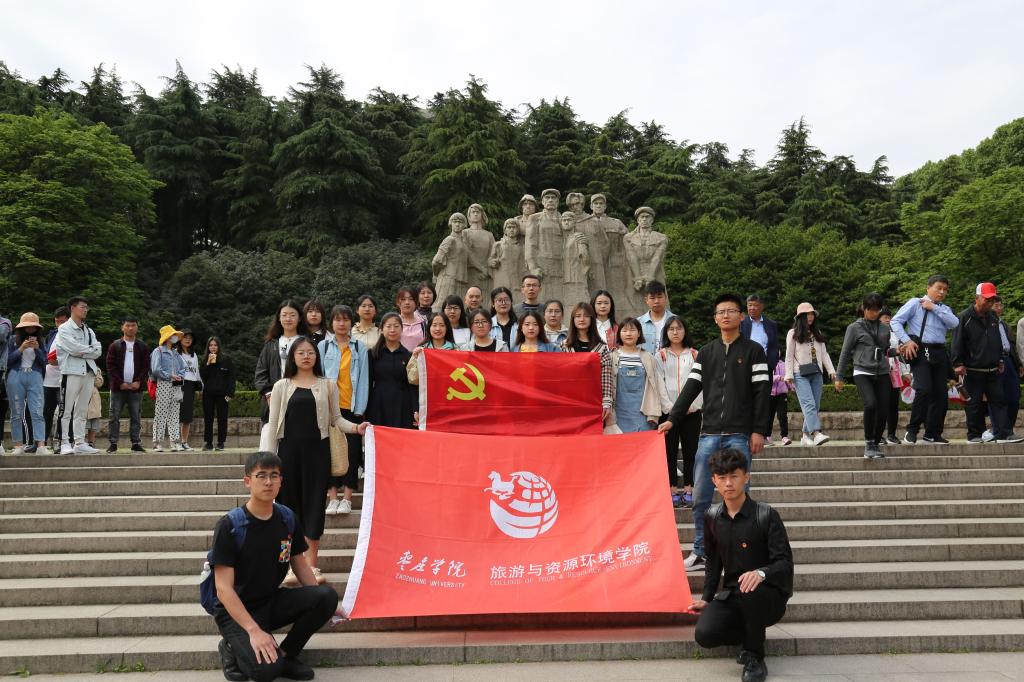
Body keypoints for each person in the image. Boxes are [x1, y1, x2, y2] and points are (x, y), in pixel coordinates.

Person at [658, 293, 771, 572]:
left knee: (738, 496)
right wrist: (673, 419)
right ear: (715, 318)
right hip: (708, 435)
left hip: (739, 435)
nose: (726, 316)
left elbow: (762, 394)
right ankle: (701, 551)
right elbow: (691, 389)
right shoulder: (707, 353)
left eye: (731, 311)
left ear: (741, 317)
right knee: (700, 498)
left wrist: (759, 431)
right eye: (721, 312)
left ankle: (744, 553)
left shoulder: (754, 351)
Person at [209, 451, 343, 682]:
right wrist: (253, 631)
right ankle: (230, 646)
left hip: (270, 601)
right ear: (247, 481)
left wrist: (322, 603)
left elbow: (300, 565)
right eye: (261, 475)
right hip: (236, 610)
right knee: (265, 672)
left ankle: (286, 655)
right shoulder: (230, 525)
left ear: (281, 481)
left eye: (274, 475)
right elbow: (223, 589)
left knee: (326, 596)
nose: (268, 482)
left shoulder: (286, 518)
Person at [267, 337, 367, 585]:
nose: (306, 356)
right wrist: (269, 462)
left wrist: (357, 428)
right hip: (288, 454)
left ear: (316, 356)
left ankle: (311, 566)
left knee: (314, 510)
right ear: (293, 357)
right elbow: (273, 425)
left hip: (318, 454)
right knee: (286, 512)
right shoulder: (281, 386)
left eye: (310, 352)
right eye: (300, 352)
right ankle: (287, 567)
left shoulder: (327, 385)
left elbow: (336, 420)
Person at [693, 448, 793, 682]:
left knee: (750, 587)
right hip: (733, 595)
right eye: (722, 477)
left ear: (746, 477)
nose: (728, 483)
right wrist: (707, 597)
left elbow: (784, 563)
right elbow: (713, 562)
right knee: (705, 634)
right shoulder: (712, 516)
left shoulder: (765, 515)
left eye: (734, 476)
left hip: (767, 596)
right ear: (714, 480)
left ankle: (754, 656)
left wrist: (761, 573)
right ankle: (751, 631)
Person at [889, 275, 960, 445]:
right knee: (924, 389)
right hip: (920, 349)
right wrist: (906, 340)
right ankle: (912, 430)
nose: (942, 292)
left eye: (945, 289)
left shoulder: (944, 309)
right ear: (928, 288)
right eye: (938, 288)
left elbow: (954, 323)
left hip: (939, 351)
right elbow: (895, 321)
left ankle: (933, 433)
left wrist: (934, 307)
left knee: (941, 394)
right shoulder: (915, 303)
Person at [952, 283, 1023, 444]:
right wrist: (958, 363)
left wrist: (999, 359)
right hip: (971, 369)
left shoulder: (993, 317)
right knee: (974, 403)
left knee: (999, 401)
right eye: (987, 299)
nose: (990, 303)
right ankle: (974, 435)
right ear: (977, 298)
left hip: (992, 368)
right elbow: (957, 342)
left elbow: (997, 340)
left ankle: (1004, 434)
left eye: (992, 300)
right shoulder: (964, 317)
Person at [317, 306, 369, 516]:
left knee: (352, 453)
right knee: (328, 452)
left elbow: (364, 378)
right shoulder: (323, 346)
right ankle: (332, 497)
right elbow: (319, 376)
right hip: (329, 407)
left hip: (351, 407)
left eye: (346, 319)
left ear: (351, 323)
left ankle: (347, 497)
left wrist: (360, 409)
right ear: (331, 323)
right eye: (337, 319)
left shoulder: (360, 347)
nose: (341, 323)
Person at [836, 293, 894, 459]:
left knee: (884, 410)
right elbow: (845, 352)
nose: (873, 313)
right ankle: (869, 443)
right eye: (870, 310)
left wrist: (898, 351)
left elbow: (885, 350)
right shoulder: (854, 328)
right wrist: (839, 377)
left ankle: (875, 443)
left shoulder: (885, 328)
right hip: (862, 371)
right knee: (870, 404)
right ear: (864, 308)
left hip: (882, 371)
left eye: (877, 310)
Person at [655, 316, 702, 507]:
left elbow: (702, 383)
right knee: (669, 452)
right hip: (668, 413)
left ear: (685, 331)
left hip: (692, 412)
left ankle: (689, 488)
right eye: (671, 329)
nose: (675, 332)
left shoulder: (695, 354)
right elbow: (659, 383)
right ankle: (672, 489)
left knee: (691, 452)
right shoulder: (660, 355)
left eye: (679, 328)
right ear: (666, 332)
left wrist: (694, 405)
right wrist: (670, 408)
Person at [784, 302, 837, 446]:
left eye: (812, 314)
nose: (810, 316)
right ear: (800, 317)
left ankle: (805, 435)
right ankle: (816, 433)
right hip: (799, 373)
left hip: (817, 373)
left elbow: (824, 354)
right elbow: (789, 355)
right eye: (807, 314)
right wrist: (788, 375)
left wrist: (832, 371)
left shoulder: (817, 332)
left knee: (815, 405)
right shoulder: (792, 333)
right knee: (809, 404)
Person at [56, 296, 103, 455]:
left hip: (88, 373)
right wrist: (88, 350)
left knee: (82, 410)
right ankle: (64, 442)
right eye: (82, 306)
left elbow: (98, 351)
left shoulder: (88, 330)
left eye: (86, 307)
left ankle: (79, 442)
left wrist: (84, 351)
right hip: (71, 372)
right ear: (72, 308)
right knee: (66, 409)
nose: (85, 310)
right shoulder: (64, 328)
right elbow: (73, 348)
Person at [610, 317, 671, 433]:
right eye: (624, 330)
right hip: (618, 414)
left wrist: (669, 409)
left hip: (644, 413)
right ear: (619, 334)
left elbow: (658, 385)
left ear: (639, 333)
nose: (628, 334)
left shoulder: (648, 358)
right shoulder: (612, 357)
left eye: (632, 330)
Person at [254, 300, 310, 424]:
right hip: (275, 399)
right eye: (284, 315)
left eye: (292, 315)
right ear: (279, 318)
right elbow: (260, 373)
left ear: (300, 318)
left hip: (301, 398)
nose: (288, 319)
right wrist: (269, 394)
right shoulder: (271, 344)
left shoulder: (307, 343)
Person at [5, 313, 50, 455]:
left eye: (33, 327)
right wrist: (21, 349)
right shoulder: (12, 340)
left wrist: (37, 348)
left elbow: (45, 361)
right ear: (21, 328)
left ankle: (41, 445)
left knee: (37, 411)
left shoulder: (41, 341)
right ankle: (18, 445)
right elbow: (7, 361)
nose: (30, 329)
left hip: (35, 376)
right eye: (27, 326)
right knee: (16, 412)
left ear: (37, 328)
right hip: (15, 375)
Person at [560, 303, 612, 423]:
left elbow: (606, 376)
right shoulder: (564, 346)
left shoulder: (601, 347)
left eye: (586, 316)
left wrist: (606, 402)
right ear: (573, 319)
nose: (582, 319)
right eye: (578, 316)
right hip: (569, 400)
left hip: (594, 401)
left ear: (592, 319)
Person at [105, 316, 149, 453]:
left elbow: (145, 366)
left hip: (136, 388)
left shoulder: (142, 346)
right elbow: (110, 366)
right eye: (128, 325)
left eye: (133, 325)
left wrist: (139, 381)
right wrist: (120, 382)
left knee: (136, 416)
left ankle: (136, 443)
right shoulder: (115, 345)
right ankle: (113, 443)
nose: (130, 328)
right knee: (114, 416)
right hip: (118, 388)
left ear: (137, 327)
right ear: (122, 327)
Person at [366, 312, 417, 429]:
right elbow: (367, 383)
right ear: (381, 330)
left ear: (402, 329)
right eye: (388, 326)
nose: (392, 330)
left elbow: (412, 386)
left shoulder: (408, 356)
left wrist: (415, 409)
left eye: (396, 326)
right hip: (378, 404)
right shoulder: (373, 354)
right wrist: (365, 409)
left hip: (403, 405)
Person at [989, 296, 1022, 439]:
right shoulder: (985, 324)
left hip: (1009, 361)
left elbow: (1012, 346)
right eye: (996, 305)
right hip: (994, 363)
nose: (999, 308)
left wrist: (1018, 364)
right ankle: (999, 431)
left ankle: (1009, 430)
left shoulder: (1004, 325)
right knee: (997, 398)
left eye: (1000, 305)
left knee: (1014, 397)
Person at [150, 325, 187, 452]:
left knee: (175, 414)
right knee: (160, 413)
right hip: (163, 383)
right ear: (167, 337)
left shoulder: (176, 353)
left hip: (176, 384)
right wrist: (169, 375)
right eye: (172, 335)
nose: (175, 337)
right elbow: (155, 369)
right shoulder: (158, 351)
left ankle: (175, 442)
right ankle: (157, 442)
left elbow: (184, 367)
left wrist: (179, 376)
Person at [879, 307, 909, 445]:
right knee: (880, 404)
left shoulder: (895, 334)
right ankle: (878, 435)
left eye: (889, 317)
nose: (887, 319)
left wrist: (905, 372)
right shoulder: (874, 333)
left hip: (894, 372)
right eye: (884, 317)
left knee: (893, 405)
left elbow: (900, 355)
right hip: (880, 371)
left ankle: (891, 434)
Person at [200, 337, 235, 451]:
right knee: (208, 418)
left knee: (222, 418)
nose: (213, 347)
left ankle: (221, 443)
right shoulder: (205, 360)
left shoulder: (226, 359)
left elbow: (231, 377)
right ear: (208, 347)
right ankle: (208, 443)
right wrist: (208, 363)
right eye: (211, 345)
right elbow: (202, 376)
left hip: (222, 394)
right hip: (208, 393)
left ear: (218, 346)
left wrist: (230, 393)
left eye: (215, 345)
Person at [42, 307, 69, 448]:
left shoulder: (73, 335)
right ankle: (42, 443)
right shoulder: (52, 334)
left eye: (62, 321)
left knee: (63, 413)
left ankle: (60, 442)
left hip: (63, 379)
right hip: (48, 379)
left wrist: (59, 361)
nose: (59, 324)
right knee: (46, 412)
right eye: (57, 321)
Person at [407, 313, 458, 384]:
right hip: (428, 390)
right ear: (429, 328)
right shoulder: (421, 350)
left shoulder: (455, 350)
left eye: (442, 325)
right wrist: (417, 360)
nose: (438, 329)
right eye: (434, 325)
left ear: (447, 328)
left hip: (449, 389)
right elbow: (412, 379)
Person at [741, 295, 780, 376]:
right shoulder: (741, 324)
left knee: (765, 385)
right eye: (750, 305)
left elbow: (775, 345)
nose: (752, 308)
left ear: (762, 306)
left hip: (766, 366)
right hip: (746, 365)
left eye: (755, 305)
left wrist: (773, 363)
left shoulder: (771, 324)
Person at [177, 329, 202, 450]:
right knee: (176, 414)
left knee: (187, 416)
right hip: (178, 384)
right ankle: (175, 442)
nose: (188, 340)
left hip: (191, 385)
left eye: (190, 338)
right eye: (185, 337)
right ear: (180, 339)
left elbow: (196, 372)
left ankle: (184, 442)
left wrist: (200, 386)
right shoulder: (175, 353)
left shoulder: (194, 354)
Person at [637, 281, 673, 353]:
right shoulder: (638, 323)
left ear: (665, 298)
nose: (656, 301)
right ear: (646, 300)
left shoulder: (676, 321)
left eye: (659, 297)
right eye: (652, 298)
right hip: (645, 360)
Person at [766, 360, 791, 447]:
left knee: (782, 415)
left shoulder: (784, 364)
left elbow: (788, 378)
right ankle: (767, 436)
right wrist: (778, 377)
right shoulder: (768, 363)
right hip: (770, 394)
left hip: (782, 394)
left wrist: (791, 387)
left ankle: (784, 437)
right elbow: (767, 377)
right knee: (769, 416)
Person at [395, 286, 426, 352]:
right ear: (397, 302)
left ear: (416, 302)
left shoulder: (423, 323)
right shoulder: (394, 322)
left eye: (411, 299)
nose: (407, 302)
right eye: (403, 299)